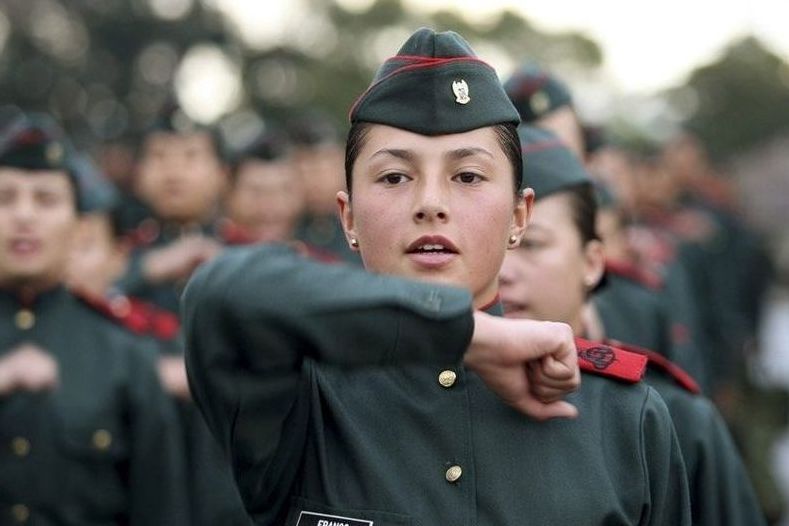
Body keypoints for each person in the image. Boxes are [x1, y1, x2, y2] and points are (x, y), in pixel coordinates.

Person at [183, 28, 690, 525]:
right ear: (349, 219)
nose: (430, 203)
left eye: (467, 176)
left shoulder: (625, 419)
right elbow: (218, 297)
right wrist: (463, 333)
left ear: (519, 216)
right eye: (394, 177)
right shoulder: (302, 402)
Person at [498, 126, 765, 526]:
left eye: (531, 244)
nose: (503, 271)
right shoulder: (425, 399)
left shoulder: (670, 419)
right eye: (491, 245)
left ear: (592, 262)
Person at [0, 113, 188, 524]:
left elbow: (160, 508)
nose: (24, 216)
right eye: (5, 198)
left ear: (78, 226)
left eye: (46, 200)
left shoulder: (124, 352)